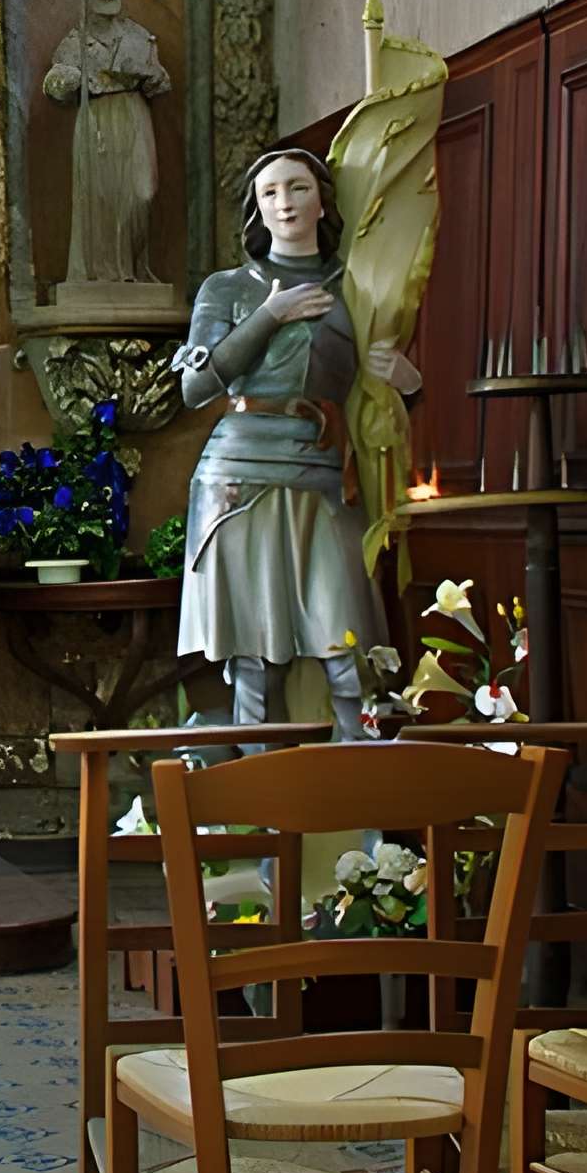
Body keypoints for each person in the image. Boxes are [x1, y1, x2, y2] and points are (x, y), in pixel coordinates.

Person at [174, 147, 422, 736]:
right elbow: (195, 387)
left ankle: (359, 789)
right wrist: (270, 315)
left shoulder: (356, 285)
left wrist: (407, 380)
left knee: (349, 652)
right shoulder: (228, 287)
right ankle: (258, 793)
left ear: (322, 201)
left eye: (298, 188)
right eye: (270, 192)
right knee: (253, 662)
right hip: (238, 476)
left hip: (324, 471)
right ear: (257, 209)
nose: (284, 202)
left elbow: (382, 403)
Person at [40, 0, 170, 285]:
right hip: (95, 117)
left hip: (133, 114)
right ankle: (102, 273)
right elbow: (57, 86)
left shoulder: (138, 36)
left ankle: (134, 267)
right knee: (99, 196)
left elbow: (160, 83)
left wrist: (148, 74)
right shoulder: (76, 41)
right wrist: (65, 80)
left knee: (141, 193)